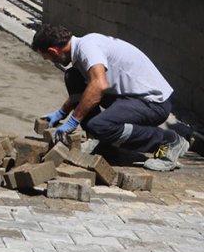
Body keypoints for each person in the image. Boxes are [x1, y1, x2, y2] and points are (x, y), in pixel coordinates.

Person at [31, 24, 189, 172]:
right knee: (73, 76)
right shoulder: (82, 48)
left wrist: (74, 121)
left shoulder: (87, 48)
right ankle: (107, 143)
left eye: (47, 58)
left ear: (53, 51)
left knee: (99, 125)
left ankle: (169, 140)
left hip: (153, 103)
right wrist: (61, 112)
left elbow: (99, 85)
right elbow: (88, 88)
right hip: (129, 97)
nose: (49, 61)